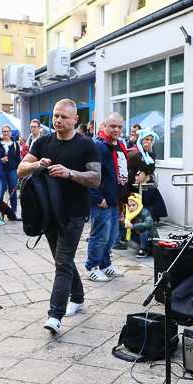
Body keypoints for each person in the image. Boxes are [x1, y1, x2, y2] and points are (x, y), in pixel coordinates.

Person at [18, 99, 100, 335]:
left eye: (64, 117)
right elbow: (20, 169)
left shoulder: (86, 144)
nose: (58, 120)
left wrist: (69, 173)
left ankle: (55, 315)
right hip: (48, 214)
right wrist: (36, 165)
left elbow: (96, 178)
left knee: (62, 263)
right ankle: (79, 297)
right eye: (55, 116)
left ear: (75, 119)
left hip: (74, 214)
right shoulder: (42, 141)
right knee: (63, 260)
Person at [86, 112, 128, 282]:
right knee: (100, 235)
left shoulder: (120, 144)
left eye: (119, 127)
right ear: (104, 126)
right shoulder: (98, 145)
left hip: (115, 200)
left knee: (111, 235)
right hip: (102, 200)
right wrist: (97, 197)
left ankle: (105, 265)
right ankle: (91, 267)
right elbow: (92, 174)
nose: (116, 130)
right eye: (113, 126)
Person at [126, 129, 167, 221]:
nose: (149, 142)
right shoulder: (135, 153)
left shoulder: (142, 152)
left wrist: (143, 171)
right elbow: (151, 167)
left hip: (133, 181)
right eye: (146, 140)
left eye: (151, 140)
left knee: (152, 191)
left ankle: (152, 216)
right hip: (129, 184)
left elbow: (147, 165)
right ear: (141, 140)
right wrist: (151, 152)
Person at [125, 193, 158, 258]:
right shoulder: (129, 214)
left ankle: (143, 249)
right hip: (138, 236)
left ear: (139, 205)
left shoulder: (145, 212)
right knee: (123, 229)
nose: (131, 208)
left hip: (150, 238)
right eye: (129, 205)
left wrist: (133, 226)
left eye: (133, 205)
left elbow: (149, 224)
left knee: (143, 229)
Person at [0, 124, 21, 216]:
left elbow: (18, 159)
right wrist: (1, 160)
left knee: (13, 191)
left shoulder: (15, 144)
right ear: (2, 132)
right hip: (2, 170)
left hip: (12, 170)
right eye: (4, 131)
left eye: (7, 131)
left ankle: (14, 211)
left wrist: (19, 172)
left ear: (10, 132)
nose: (6, 133)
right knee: (1, 191)